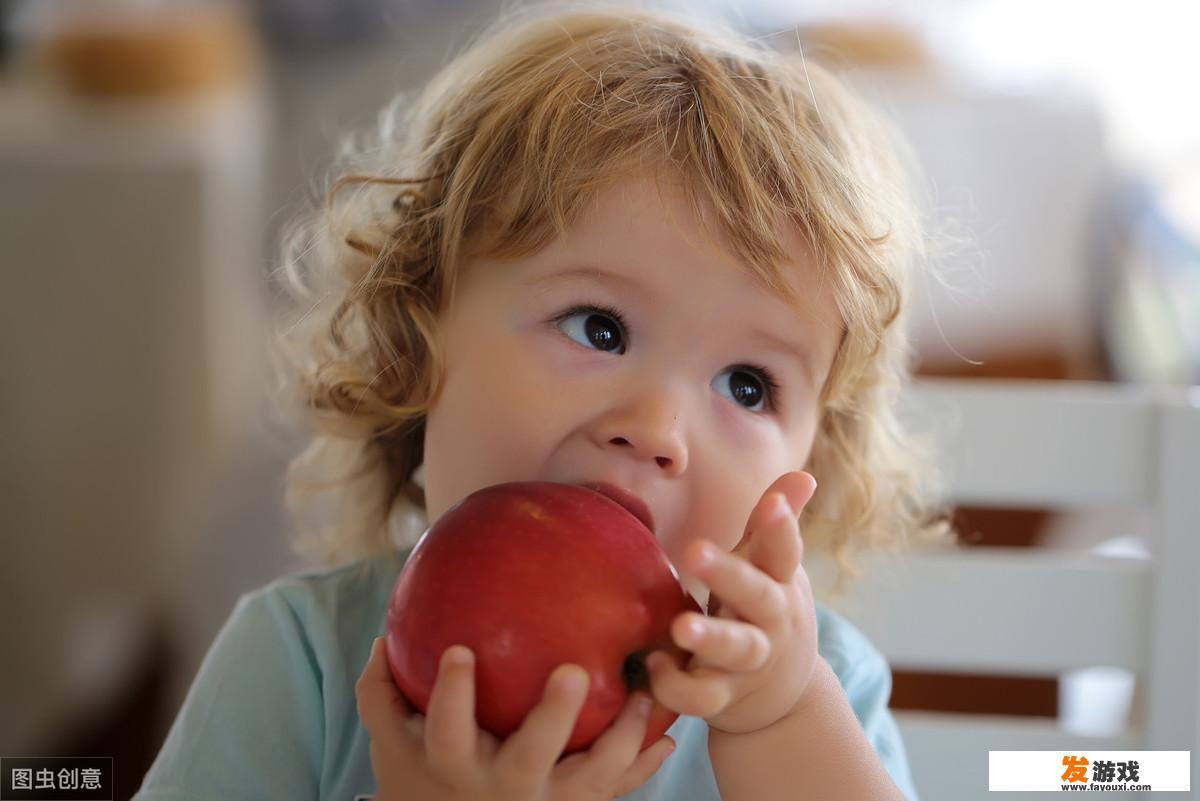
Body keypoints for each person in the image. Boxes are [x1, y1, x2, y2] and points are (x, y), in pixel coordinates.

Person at [134, 2, 954, 799]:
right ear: (418, 339)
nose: (656, 430)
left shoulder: (815, 690)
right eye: (599, 327)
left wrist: (780, 723)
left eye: (748, 384)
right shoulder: (302, 665)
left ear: (813, 462)